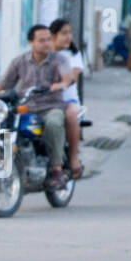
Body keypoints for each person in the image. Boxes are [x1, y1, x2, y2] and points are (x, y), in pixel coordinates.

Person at [0, 24, 69, 188]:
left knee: (53, 124)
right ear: (31, 42)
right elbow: (4, 84)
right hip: (24, 108)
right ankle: (1, 163)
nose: (47, 43)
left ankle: (56, 169)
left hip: (50, 107)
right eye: (42, 40)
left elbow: (67, 78)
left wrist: (57, 85)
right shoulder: (19, 62)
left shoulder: (59, 60)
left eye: (48, 40)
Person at [49, 18, 86, 179]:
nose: (68, 37)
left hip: (67, 101)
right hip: (44, 101)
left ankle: (73, 158)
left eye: (69, 33)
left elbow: (73, 77)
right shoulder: (44, 53)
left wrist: (59, 84)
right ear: (53, 35)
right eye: (63, 33)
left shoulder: (73, 55)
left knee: (70, 115)